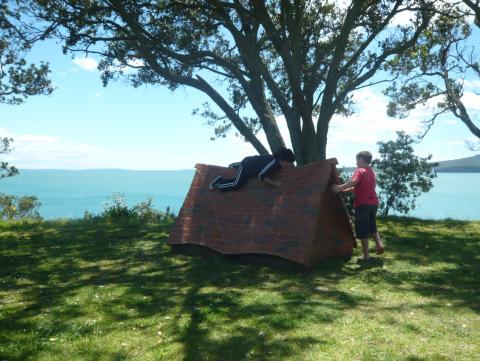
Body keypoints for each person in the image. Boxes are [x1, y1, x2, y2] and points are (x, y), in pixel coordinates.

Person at [332, 151, 384, 261]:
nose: (356, 162)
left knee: (363, 229)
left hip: (363, 204)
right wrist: (346, 190)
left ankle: (366, 256)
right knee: (372, 225)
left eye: (357, 160)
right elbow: (361, 186)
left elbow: (354, 182)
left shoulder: (360, 170)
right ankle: (379, 245)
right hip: (373, 203)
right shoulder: (371, 172)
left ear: (361, 159)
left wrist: (340, 187)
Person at [209, 147, 295, 192]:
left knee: (244, 169)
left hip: (251, 162)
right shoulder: (273, 163)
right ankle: (219, 181)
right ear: (282, 160)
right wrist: (276, 184)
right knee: (237, 184)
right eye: (289, 163)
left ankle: (237, 165)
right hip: (247, 166)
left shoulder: (276, 161)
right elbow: (261, 176)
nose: (289, 165)